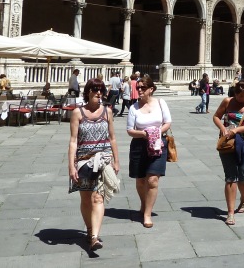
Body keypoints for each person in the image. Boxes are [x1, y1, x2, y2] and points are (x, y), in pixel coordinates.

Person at [68, 78, 120, 250]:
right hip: (83, 161)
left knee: (98, 198)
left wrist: (116, 160)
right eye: (95, 90)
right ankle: (89, 229)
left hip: (103, 161)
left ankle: (95, 237)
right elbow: (73, 141)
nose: (99, 93)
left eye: (101, 90)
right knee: (85, 199)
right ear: (88, 92)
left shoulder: (107, 112)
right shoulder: (77, 113)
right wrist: (71, 165)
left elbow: (112, 138)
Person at [126, 76, 172, 228]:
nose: (139, 90)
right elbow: (130, 130)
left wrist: (156, 133)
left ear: (151, 89)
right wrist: (145, 134)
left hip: (158, 144)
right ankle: (144, 203)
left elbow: (167, 122)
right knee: (140, 180)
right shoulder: (134, 107)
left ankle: (147, 213)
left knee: (152, 180)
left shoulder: (160, 103)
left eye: (142, 87)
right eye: (138, 87)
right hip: (139, 145)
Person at [213, 80, 244, 226]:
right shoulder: (227, 101)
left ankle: (243, 200)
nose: (240, 98)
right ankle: (230, 212)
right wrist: (223, 129)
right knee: (230, 177)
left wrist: (236, 130)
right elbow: (216, 116)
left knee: (243, 174)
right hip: (227, 143)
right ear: (235, 93)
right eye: (238, 95)